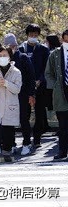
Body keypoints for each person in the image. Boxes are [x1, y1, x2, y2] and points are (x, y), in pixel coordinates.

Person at [0, 46, 22, 162]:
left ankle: (7, 150)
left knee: (8, 131)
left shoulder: (16, 72)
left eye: (5, 55)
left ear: (10, 57)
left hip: (10, 106)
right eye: (0, 56)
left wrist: (6, 83)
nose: (2, 58)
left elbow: (17, 89)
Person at [18, 24, 50, 153]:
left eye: (35, 35)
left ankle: (37, 138)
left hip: (40, 86)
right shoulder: (21, 49)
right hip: (24, 87)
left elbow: (46, 68)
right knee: (24, 114)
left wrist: (40, 80)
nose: (33, 37)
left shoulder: (43, 49)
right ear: (27, 35)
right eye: (31, 35)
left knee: (40, 113)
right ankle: (26, 139)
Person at [3, 33, 35, 155]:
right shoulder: (4, 59)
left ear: (15, 45)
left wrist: (31, 94)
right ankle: (11, 144)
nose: (10, 47)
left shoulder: (24, 58)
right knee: (9, 121)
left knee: (24, 120)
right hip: (8, 95)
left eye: (11, 45)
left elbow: (31, 77)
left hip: (23, 94)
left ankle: (26, 143)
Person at [45, 30, 68, 160]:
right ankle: (62, 151)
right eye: (65, 40)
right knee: (63, 126)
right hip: (61, 92)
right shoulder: (55, 54)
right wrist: (55, 85)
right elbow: (48, 73)